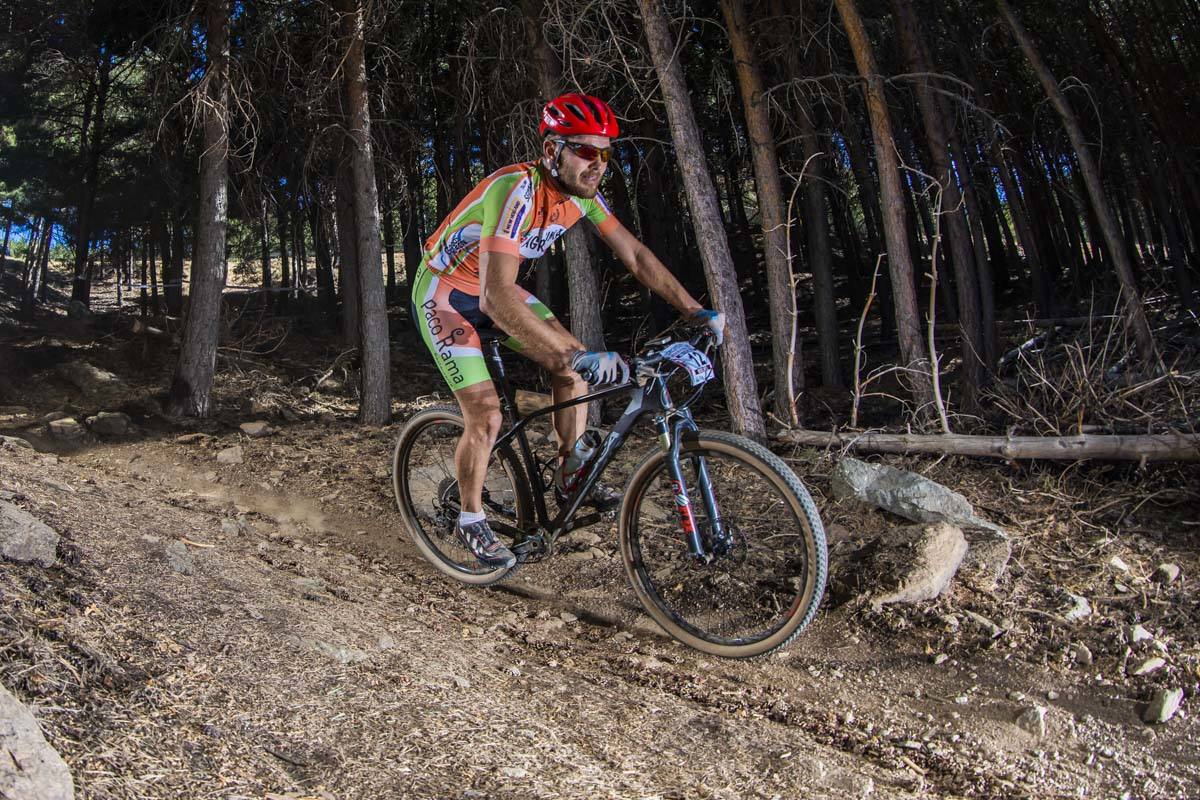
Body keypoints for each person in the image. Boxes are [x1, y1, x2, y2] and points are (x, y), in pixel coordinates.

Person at [412, 92, 725, 569]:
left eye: (605, 153)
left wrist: (694, 311)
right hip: (446, 294)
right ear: (551, 150)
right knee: (487, 415)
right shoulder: (515, 191)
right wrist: (575, 355)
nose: (597, 163)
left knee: (571, 364)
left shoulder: (584, 197)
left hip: (496, 287)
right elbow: (494, 297)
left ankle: (570, 471)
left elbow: (636, 256)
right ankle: (470, 518)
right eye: (584, 151)